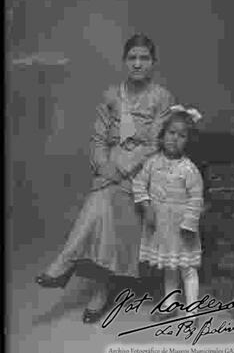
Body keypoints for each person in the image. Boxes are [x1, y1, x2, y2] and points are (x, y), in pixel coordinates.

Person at [35, 33, 175, 323]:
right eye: (132, 58)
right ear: (125, 61)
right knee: (104, 199)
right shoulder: (111, 94)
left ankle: (67, 264)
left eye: (144, 58)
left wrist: (119, 169)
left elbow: (154, 144)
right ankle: (99, 286)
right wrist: (104, 166)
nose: (138, 64)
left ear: (153, 62)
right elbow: (98, 139)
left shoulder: (162, 97)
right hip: (111, 169)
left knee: (102, 196)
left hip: (143, 169)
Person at [132, 107, 204, 323]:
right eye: (171, 133)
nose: (175, 139)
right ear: (162, 135)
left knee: (187, 269)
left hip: (182, 229)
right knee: (170, 268)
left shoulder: (189, 169)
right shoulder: (152, 163)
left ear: (188, 141)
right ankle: (170, 304)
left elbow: (196, 199)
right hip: (162, 228)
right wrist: (147, 207)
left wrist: (189, 226)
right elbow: (139, 184)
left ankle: (192, 313)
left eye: (182, 136)